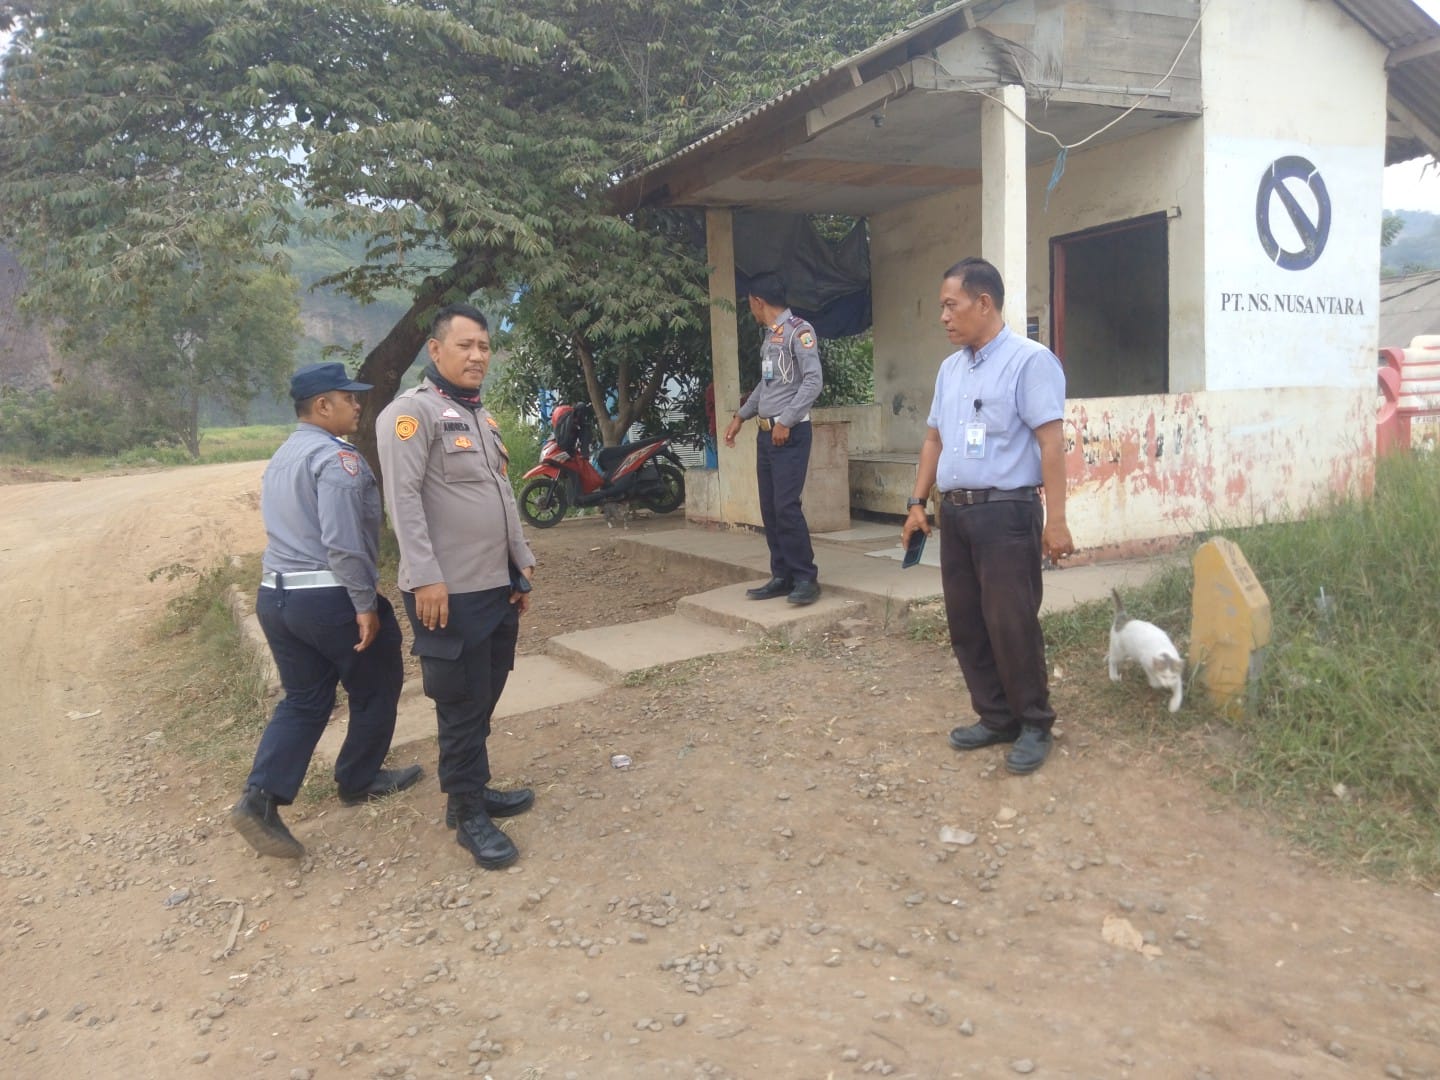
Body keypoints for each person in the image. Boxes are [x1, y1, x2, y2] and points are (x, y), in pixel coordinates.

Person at [230, 363, 417, 859]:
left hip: (276, 596)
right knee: (377, 680)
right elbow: (343, 542)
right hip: (328, 597)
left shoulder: (283, 456)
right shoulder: (337, 460)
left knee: (305, 698)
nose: (357, 405)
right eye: (348, 397)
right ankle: (359, 779)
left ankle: (260, 799)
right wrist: (364, 604)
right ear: (321, 406)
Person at [376, 303, 537, 871]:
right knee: (461, 701)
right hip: (447, 592)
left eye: (484, 347)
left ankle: (473, 786)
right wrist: (425, 576)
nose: (477, 356)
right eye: (465, 345)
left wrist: (520, 565)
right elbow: (403, 501)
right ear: (435, 350)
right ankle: (466, 811)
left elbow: (501, 495)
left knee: (486, 690)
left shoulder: (478, 417)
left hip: (495, 584)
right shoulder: (410, 415)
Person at [901, 257, 1075, 775]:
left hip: (1006, 513)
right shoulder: (950, 369)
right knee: (967, 622)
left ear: (983, 303)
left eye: (950, 305)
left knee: (1010, 622)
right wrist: (916, 503)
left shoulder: (1030, 362)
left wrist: (1057, 521)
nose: (943, 317)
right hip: (955, 514)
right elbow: (934, 439)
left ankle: (1034, 722)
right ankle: (996, 716)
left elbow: (1051, 443)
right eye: (941, 307)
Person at [722, 272, 825, 606]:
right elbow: (767, 386)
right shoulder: (771, 337)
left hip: (789, 435)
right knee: (770, 507)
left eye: (749, 303)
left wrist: (786, 420)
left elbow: (813, 381)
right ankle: (782, 575)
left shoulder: (799, 331)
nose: (750, 308)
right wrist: (741, 416)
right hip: (766, 436)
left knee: (786, 506)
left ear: (757, 301)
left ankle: (805, 577)